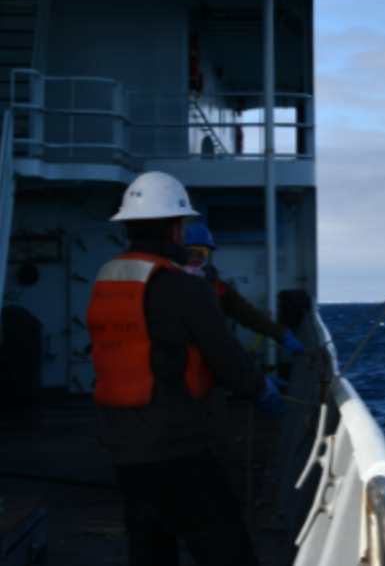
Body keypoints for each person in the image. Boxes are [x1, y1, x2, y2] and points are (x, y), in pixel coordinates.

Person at [87, 171, 290, 566]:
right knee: (226, 550)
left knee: (150, 550)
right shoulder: (185, 287)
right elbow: (229, 360)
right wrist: (260, 387)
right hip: (175, 443)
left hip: (123, 447)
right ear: (175, 229)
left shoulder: (107, 278)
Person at [184, 222, 306, 355]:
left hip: (209, 356)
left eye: (200, 254)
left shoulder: (221, 290)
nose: (195, 259)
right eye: (190, 254)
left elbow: (250, 316)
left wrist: (282, 334)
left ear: (208, 257)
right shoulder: (168, 285)